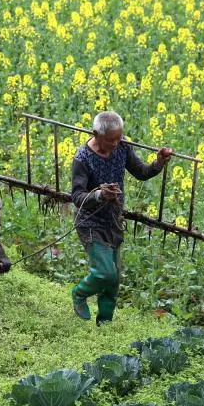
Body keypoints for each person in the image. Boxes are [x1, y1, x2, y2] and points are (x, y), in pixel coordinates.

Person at [70, 111, 173, 325]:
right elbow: (77, 196)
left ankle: (104, 323)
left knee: (114, 278)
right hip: (90, 221)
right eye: (111, 139)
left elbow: (141, 172)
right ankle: (79, 293)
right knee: (105, 272)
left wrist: (159, 163)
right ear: (95, 134)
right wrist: (99, 194)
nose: (116, 143)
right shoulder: (82, 159)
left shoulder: (122, 146)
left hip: (114, 220)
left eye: (119, 137)